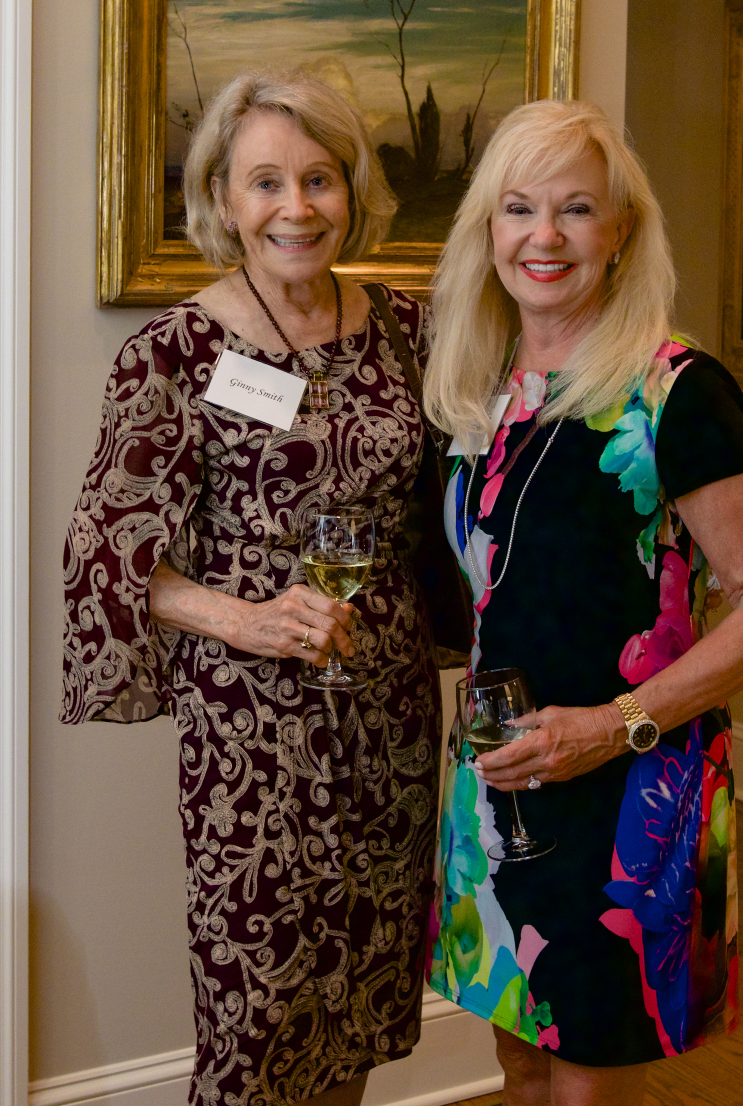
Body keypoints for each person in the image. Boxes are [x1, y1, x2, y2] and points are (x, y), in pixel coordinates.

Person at [61, 70, 442, 1106]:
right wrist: (249, 620)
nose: (296, 207)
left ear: (352, 190)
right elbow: (106, 553)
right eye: (265, 182)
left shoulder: (406, 329)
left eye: (319, 178)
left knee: (359, 995)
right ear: (222, 201)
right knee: (260, 1012)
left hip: (389, 715)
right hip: (253, 731)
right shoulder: (175, 352)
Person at [422, 98, 743, 1106]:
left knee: (589, 1075)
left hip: (627, 780)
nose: (543, 236)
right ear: (487, 230)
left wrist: (611, 725)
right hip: (501, 778)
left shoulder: (676, 392)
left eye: (575, 209)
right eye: (518, 209)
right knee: (518, 1054)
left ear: (621, 230)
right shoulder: (480, 389)